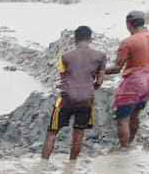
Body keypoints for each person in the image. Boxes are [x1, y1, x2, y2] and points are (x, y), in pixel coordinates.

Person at [104, 9, 149, 148]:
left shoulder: (128, 42)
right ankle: (131, 143)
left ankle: (124, 149)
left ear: (128, 24)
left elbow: (117, 68)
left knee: (123, 118)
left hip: (134, 82)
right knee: (135, 115)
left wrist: (98, 71)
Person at [44, 25, 108, 161]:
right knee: (78, 133)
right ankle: (71, 167)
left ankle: (43, 165)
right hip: (86, 101)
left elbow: (63, 77)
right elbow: (99, 82)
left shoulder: (66, 57)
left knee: (52, 133)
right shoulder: (101, 57)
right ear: (90, 39)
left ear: (75, 39)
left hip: (66, 100)